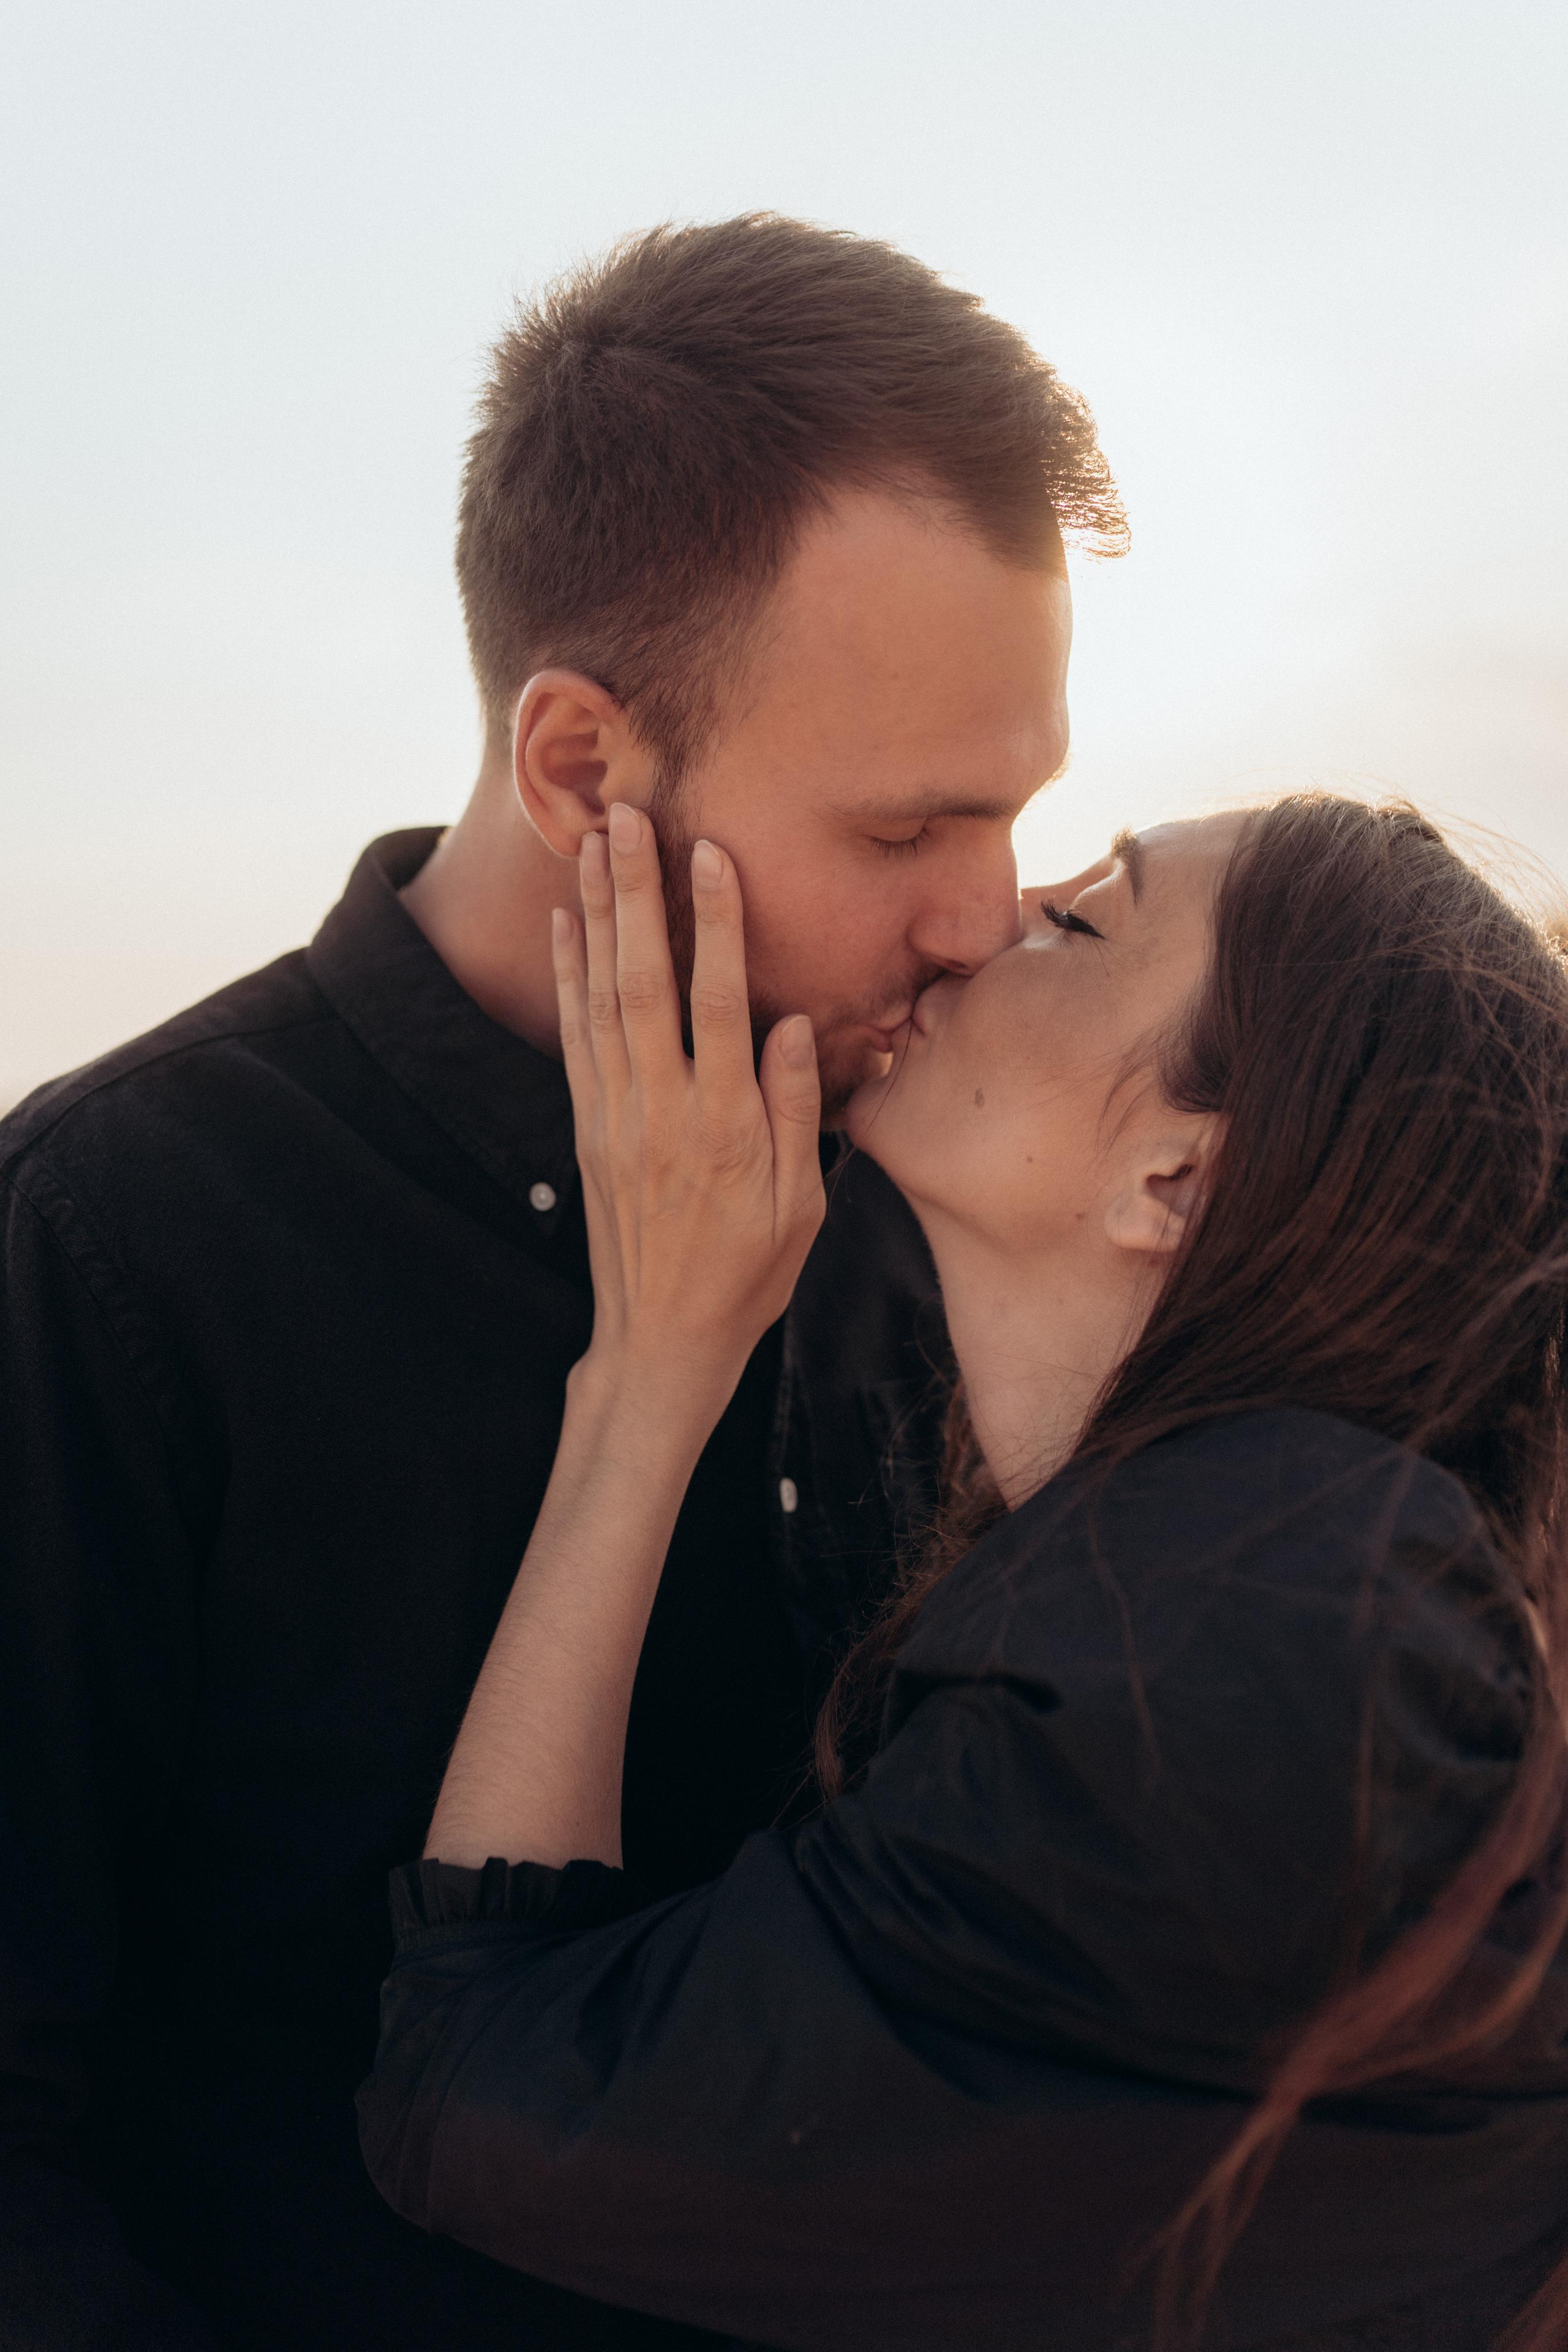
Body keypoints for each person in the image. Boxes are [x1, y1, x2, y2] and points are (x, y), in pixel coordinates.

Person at [0, 218, 1125, 2350]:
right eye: (910, 832)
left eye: (1022, 815)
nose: (988, 920)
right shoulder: (108, 1243)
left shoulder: (925, 1194)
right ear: (584, 770)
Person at [359, 791, 1568, 2351]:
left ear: (1175, 1184)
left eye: (1081, 924)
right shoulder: (1308, 1582)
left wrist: (648, 1379)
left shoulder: (1228, 1634)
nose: (992, 914)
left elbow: (474, 2091)